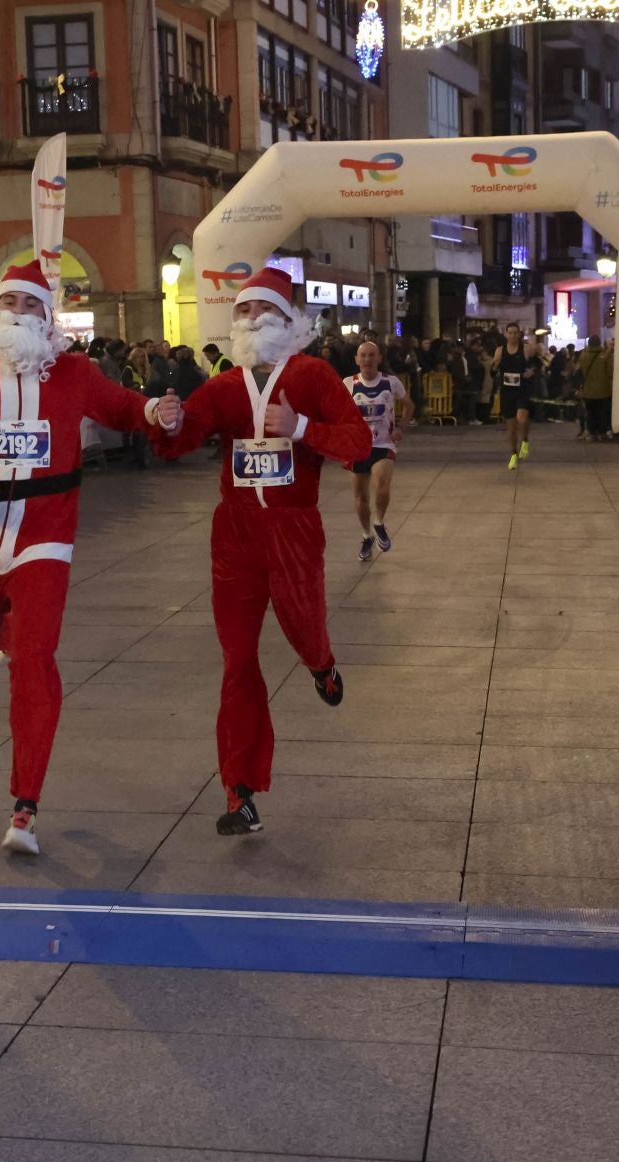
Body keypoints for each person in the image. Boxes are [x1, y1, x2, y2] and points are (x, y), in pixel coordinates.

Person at [0, 261, 179, 856]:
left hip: (47, 537)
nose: (17, 312)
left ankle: (24, 807)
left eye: (29, 304)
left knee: (34, 664)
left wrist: (156, 412)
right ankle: (7, 629)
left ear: (47, 316)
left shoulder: (74, 372)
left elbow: (123, 408)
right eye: (7, 301)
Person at [151, 268, 370, 837]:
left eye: (261, 311)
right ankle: (240, 792)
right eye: (242, 313)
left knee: (304, 626)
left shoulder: (314, 375)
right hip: (236, 534)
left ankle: (321, 663)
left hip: (294, 529)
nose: (250, 320)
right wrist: (168, 421)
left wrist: (301, 427)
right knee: (237, 660)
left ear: (286, 319)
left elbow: (358, 443)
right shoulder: (225, 385)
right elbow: (181, 439)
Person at [345, 340, 410, 563]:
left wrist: (401, 427)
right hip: (357, 447)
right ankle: (366, 536)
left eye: (372, 355)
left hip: (383, 444)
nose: (367, 360)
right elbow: (334, 412)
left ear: (379, 358)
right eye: (363, 355)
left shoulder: (390, 382)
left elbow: (409, 404)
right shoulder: (348, 384)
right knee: (361, 498)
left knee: (382, 486)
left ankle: (379, 522)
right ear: (356, 359)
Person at [493, 322, 534, 467]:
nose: (512, 335)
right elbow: (493, 371)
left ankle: (525, 440)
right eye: (510, 333)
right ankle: (513, 454)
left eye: (515, 333)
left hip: (522, 389)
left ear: (519, 334)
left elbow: (537, 363)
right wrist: (495, 365)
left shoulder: (526, 349)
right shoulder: (499, 351)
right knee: (510, 428)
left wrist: (532, 371)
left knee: (521, 418)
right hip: (507, 391)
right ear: (505, 334)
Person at [577, 337, 614, 441]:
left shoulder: (583, 356)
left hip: (588, 391)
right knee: (602, 413)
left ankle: (591, 433)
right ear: (599, 343)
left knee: (590, 413)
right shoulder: (605, 356)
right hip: (603, 391)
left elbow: (579, 372)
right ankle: (601, 433)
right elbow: (610, 373)